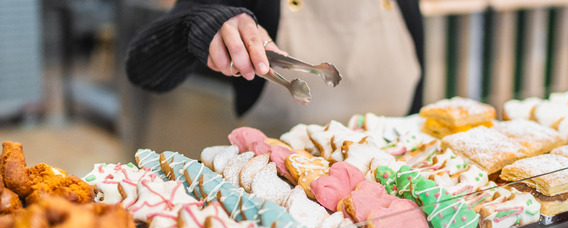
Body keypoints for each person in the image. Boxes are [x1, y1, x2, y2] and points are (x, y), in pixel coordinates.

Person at [125, 0, 424, 136]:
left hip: (390, 213)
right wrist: (202, 23)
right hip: (279, 225)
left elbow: (413, 110)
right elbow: (143, 67)